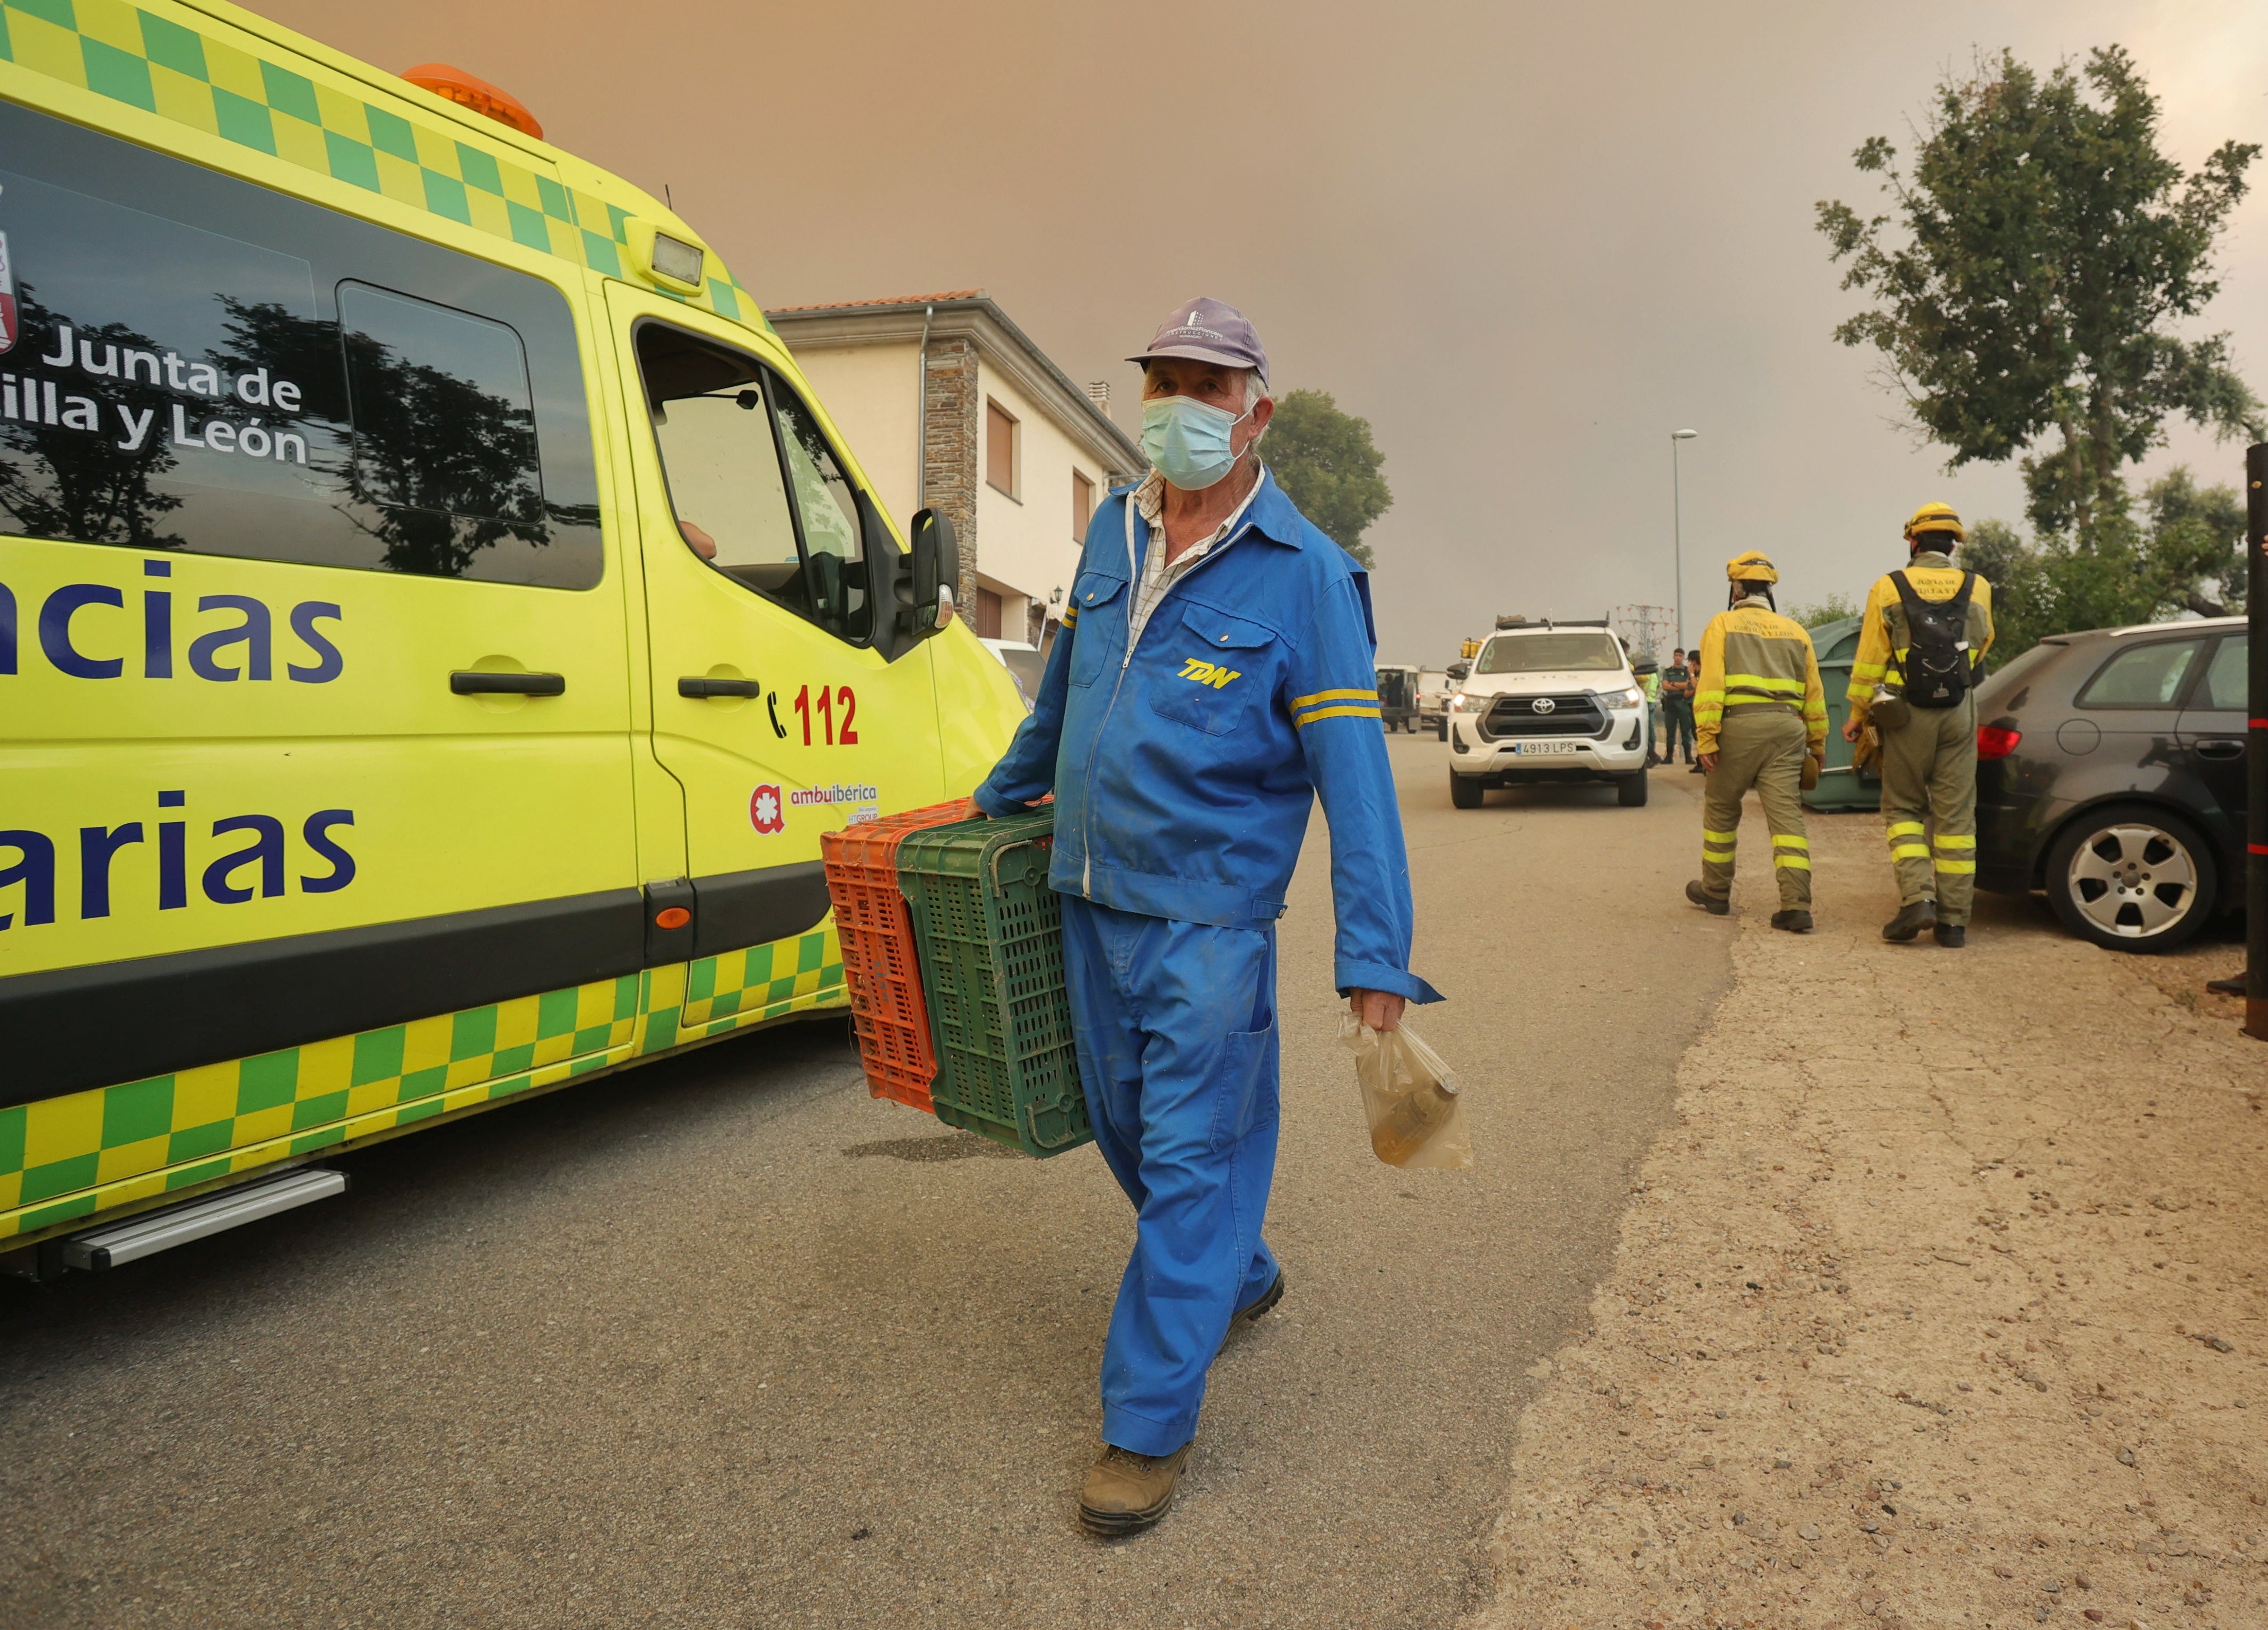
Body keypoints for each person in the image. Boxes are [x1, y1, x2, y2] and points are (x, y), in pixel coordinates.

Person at [970, 297, 1440, 1536]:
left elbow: (1355, 780)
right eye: (1162, 382)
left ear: (1254, 411)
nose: (1178, 406)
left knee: (1186, 1160)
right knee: (1125, 1131)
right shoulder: (1111, 531)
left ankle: (1144, 1427)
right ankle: (1239, 1269)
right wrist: (993, 800)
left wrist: (1374, 952)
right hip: (1088, 902)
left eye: (1206, 387)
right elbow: (1062, 699)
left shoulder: (1306, 577)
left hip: (1206, 932)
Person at [1843, 502, 1995, 948]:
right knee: (1955, 816)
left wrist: (1857, 716)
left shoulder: (1888, 586)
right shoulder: (1978, 586)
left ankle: (1918, 899)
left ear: (1913, 541)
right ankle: (1953, 923)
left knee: (1903, 808)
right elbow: (1983, 643)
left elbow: (1869, 658)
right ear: (1952, 545)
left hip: (1905, 713)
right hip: (1959, 709)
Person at [1684, 553, 1827, 931]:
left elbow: (1711, 684)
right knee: (1786, 817)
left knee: (1721, 810)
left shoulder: (1722, 624)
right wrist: (1817, 744)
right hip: (1787, 730)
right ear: (1769, 589)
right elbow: (1814, 694)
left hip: (1738, 728)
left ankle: (1716, 892)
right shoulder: (1796, 631)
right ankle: (1796, 905)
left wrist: (1707, 737)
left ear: (1736, 589)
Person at [1659, 647, 1698, 768]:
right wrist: (1680, 686)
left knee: (1686, 732)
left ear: (1683, 657)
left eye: (1680, 656)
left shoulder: (1687, 671)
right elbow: (1665, 686)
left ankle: (1688, 757)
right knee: (1670, 732)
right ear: (1673, 657)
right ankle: (1669, 757)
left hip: (1684, 704)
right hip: (1671, 704)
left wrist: (1673, 684)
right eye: (1676, 655)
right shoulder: (1668, 671)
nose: (1678, 658)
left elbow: (1689, 685)